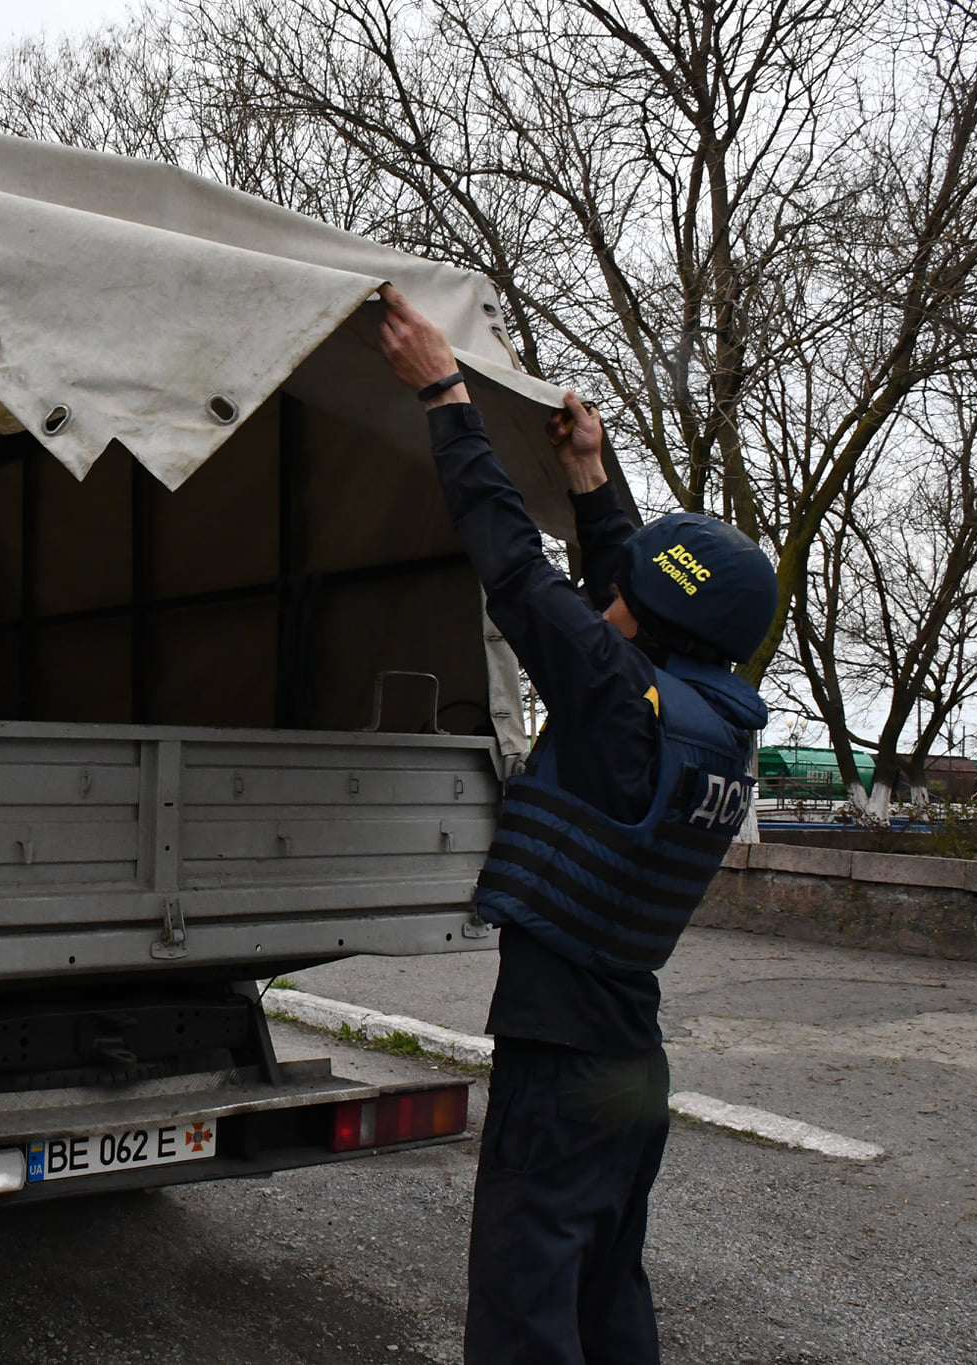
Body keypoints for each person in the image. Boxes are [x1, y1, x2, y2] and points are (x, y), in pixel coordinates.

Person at [374, 283, 776, 1365]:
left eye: (623, 598)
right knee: (604, 1287)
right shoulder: (704, 720)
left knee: (524, 1306)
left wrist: (447, 397)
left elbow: (513, 565)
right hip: (628, 1059)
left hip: (558, 1063)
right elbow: (631, 597)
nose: (605, 602)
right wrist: (593, 477)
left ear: (650, 627)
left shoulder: (617, 701)